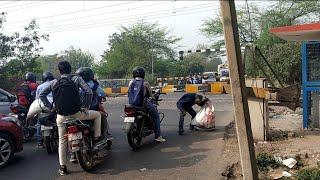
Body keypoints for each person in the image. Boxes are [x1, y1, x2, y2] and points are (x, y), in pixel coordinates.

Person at [39, 61, 102, 176]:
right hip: (77, 114)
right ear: (70, 69)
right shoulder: (76, 79)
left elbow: (41, 95)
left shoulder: (54, 81)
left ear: (59, 71)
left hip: (61, 116)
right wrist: (85, 107)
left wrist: (50, 107)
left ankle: (63, 168)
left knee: (62, 141)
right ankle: (97, 138)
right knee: (97, 115)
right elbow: (88, 92)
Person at [128, 67, 166, 143]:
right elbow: (151, 95)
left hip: (131, 104)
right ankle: (158, 136)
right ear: (143, 74)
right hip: (142, 104)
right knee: (156, 116)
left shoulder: (131, 82)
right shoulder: (145, 83)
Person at [35, 71, 55, 148]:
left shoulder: (39, 87)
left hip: (42, 107)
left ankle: (39, 142)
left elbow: (37, 99)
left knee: (39, 122)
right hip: (53, 107)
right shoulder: (54, 84)